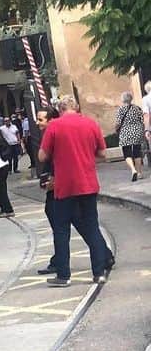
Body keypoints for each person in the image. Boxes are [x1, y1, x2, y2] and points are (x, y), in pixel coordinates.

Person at [37, 96, 111, 286]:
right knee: (92, 227)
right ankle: (99, 273)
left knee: (61, 231)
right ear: (76, 107)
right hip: (88, 183)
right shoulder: (91, 123)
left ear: (60, 109)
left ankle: (63, 275)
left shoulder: (54, 126)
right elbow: (103, 154)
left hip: (65, 186)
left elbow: (42, 156)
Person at [27, 107, 60, 276]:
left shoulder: (53, 135)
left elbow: (51, 158)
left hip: (58, 187)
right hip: (56, 186)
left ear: (51, 120)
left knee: (62, 226)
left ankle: (59, 263)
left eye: (41, 119)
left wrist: (53, 179)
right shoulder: (48, 134)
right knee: (77, 223)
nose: (37, 122)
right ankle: (104, 255)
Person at [115, 92, 145, 182]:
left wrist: (116, 129)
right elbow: (142, 120)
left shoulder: (120, 109)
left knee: (127, 152)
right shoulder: (137, 108)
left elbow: (118, 123)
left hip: (125, 133)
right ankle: (139, 173)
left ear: (122, 99)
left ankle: (133, 170)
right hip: (137, 132)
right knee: (137, 152)